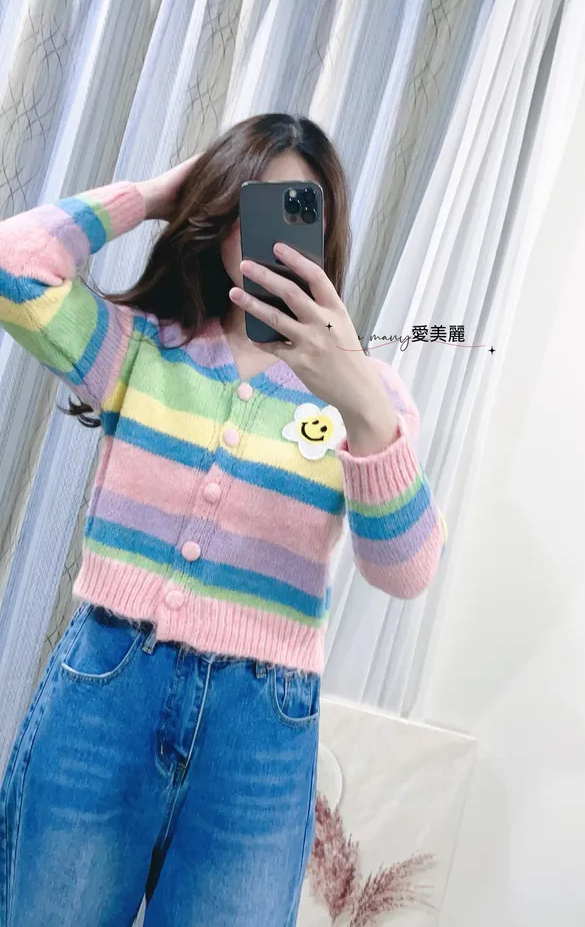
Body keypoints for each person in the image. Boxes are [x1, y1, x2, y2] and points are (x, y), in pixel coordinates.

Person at [0, 113, 446, 927]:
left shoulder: (365, 396)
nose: (261, 226)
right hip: (107, 688)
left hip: (259, 737)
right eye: (245, 200)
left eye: (290, 208)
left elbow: (406, 572)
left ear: (322, 231)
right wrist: (156, 193)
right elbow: (14, 265)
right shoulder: (140, 348)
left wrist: (357, 399)